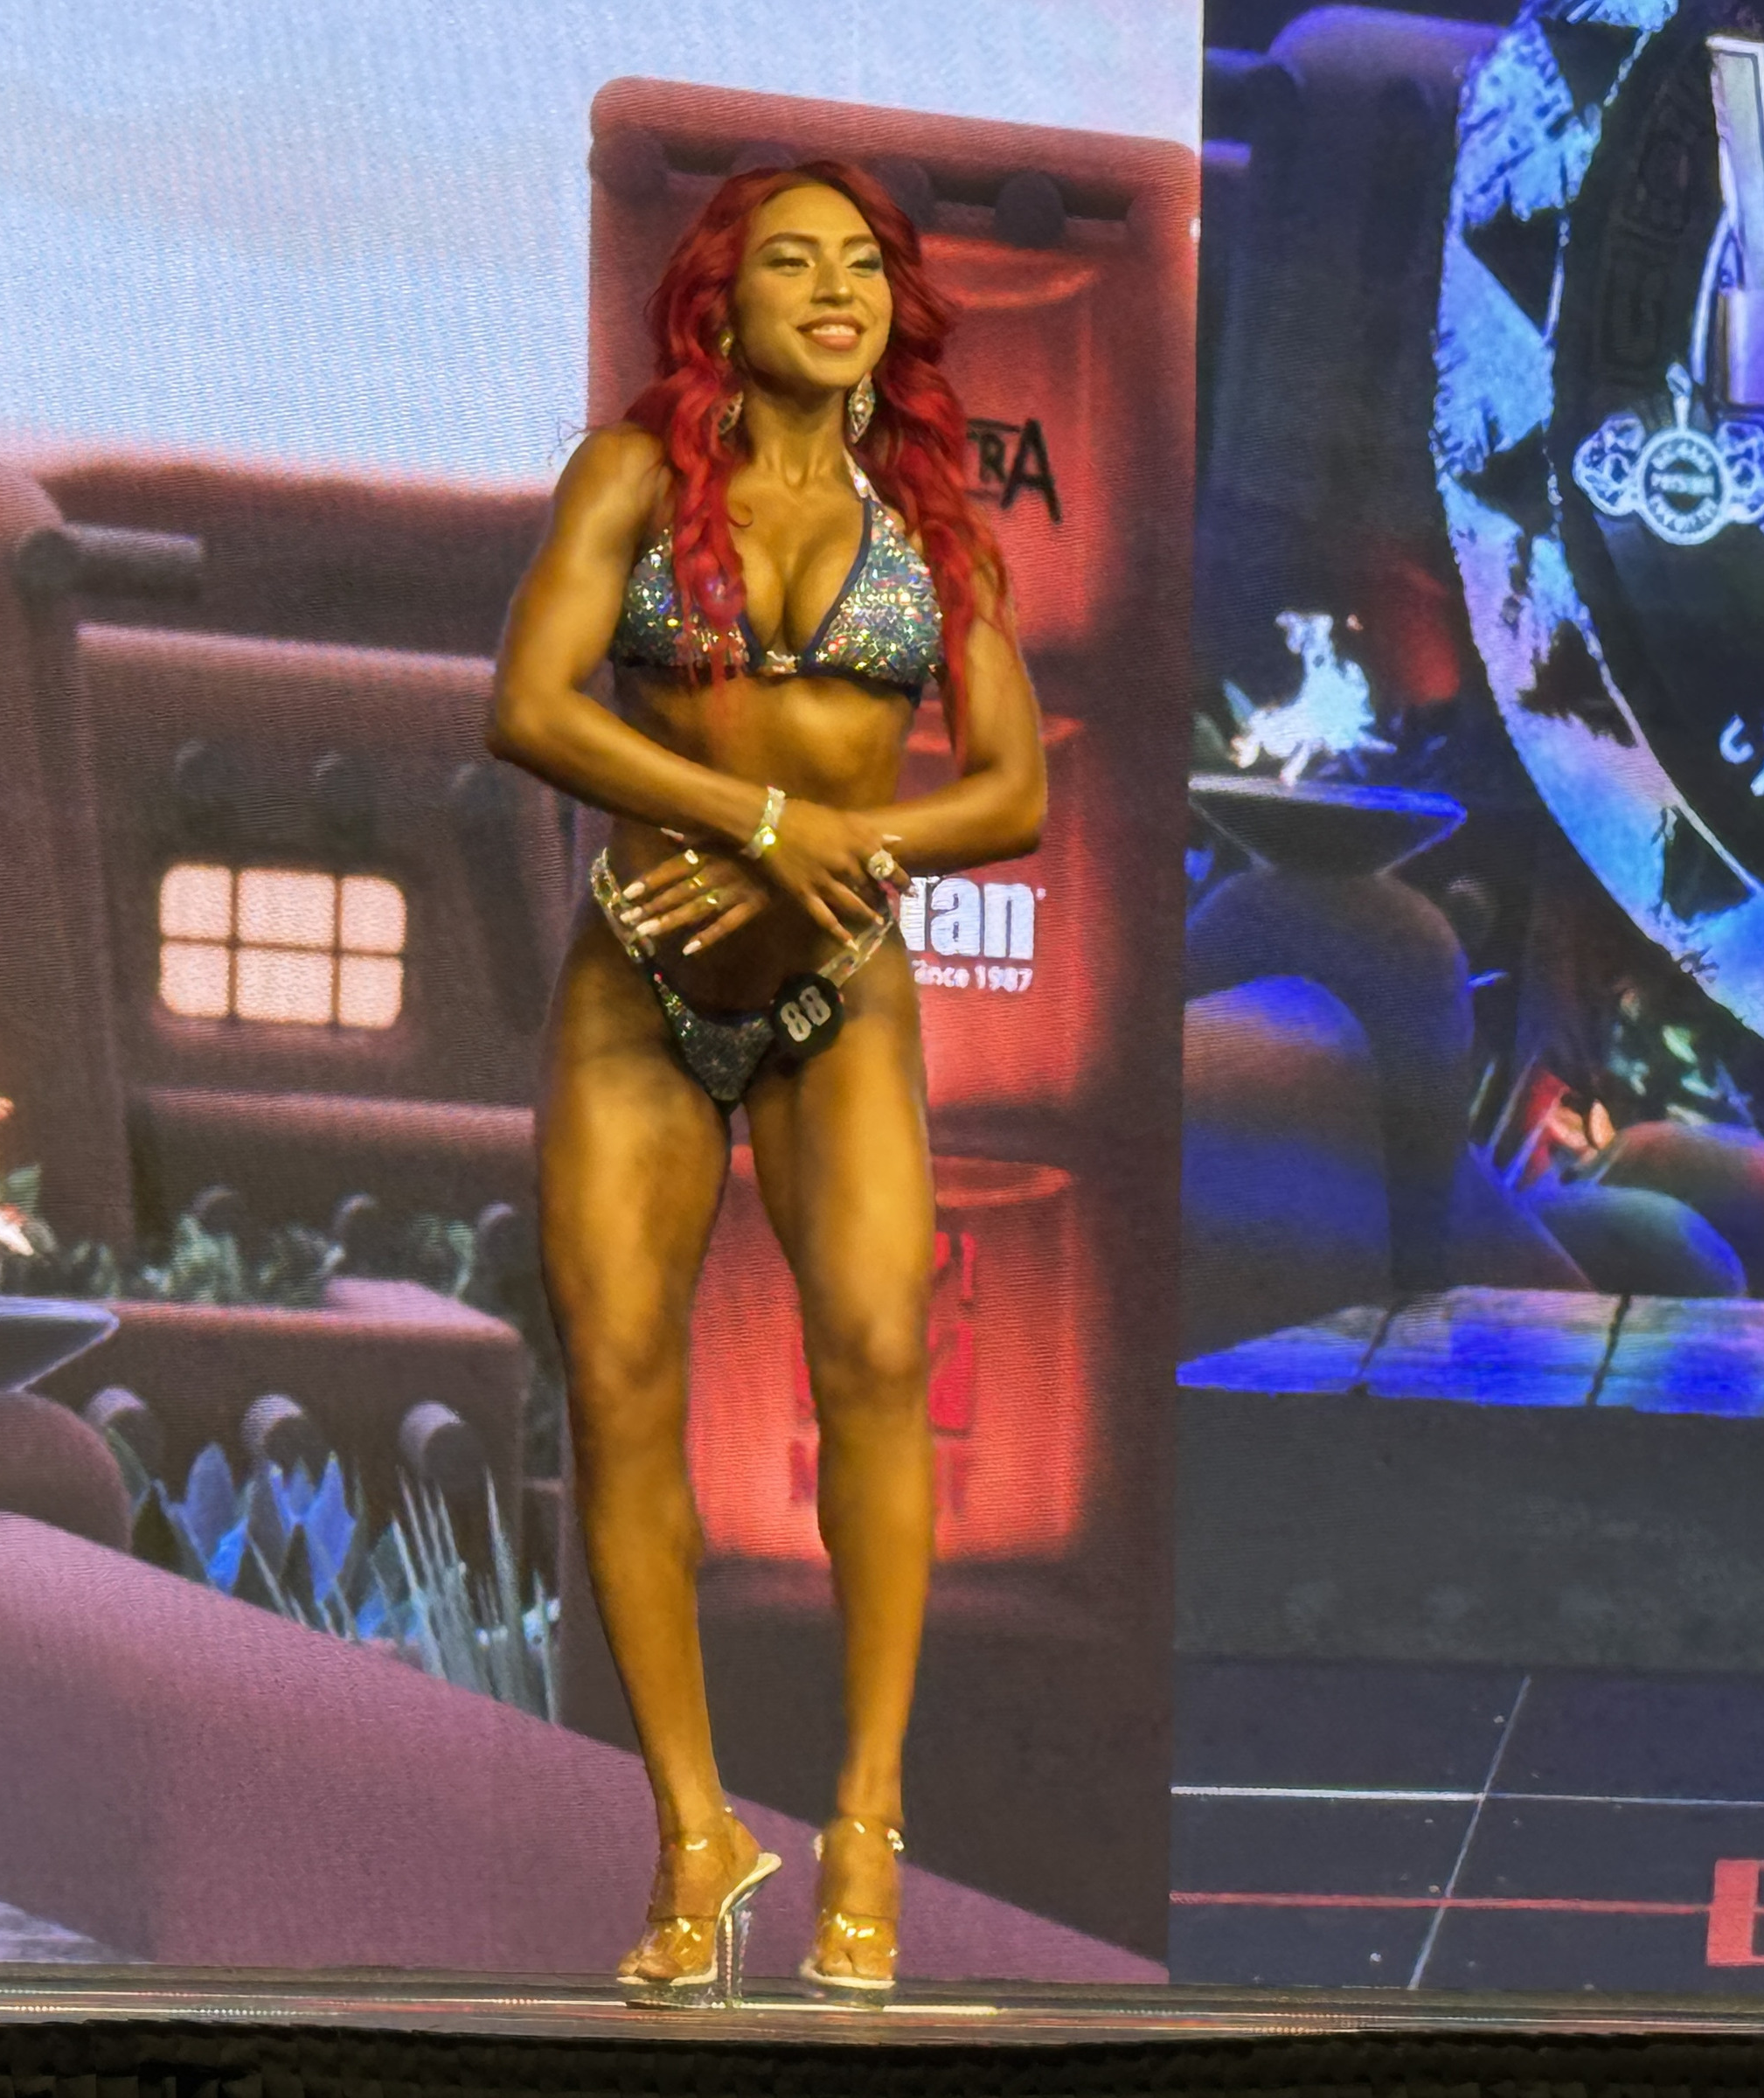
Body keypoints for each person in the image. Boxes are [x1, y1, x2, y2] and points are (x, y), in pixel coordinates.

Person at [486, 158, 1044, 2001]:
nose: (835, 289)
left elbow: (1013, 792)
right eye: (791, 261)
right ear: (717, 302)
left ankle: (866, 1825)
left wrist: (843, 848)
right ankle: (691, 1833)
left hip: (840, 986)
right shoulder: (631, 479)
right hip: (637, 983)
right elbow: (532, 705)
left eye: (862, 263)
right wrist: (764, 818)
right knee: (619, 1391)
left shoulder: (935, 520)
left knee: (881, 1361)